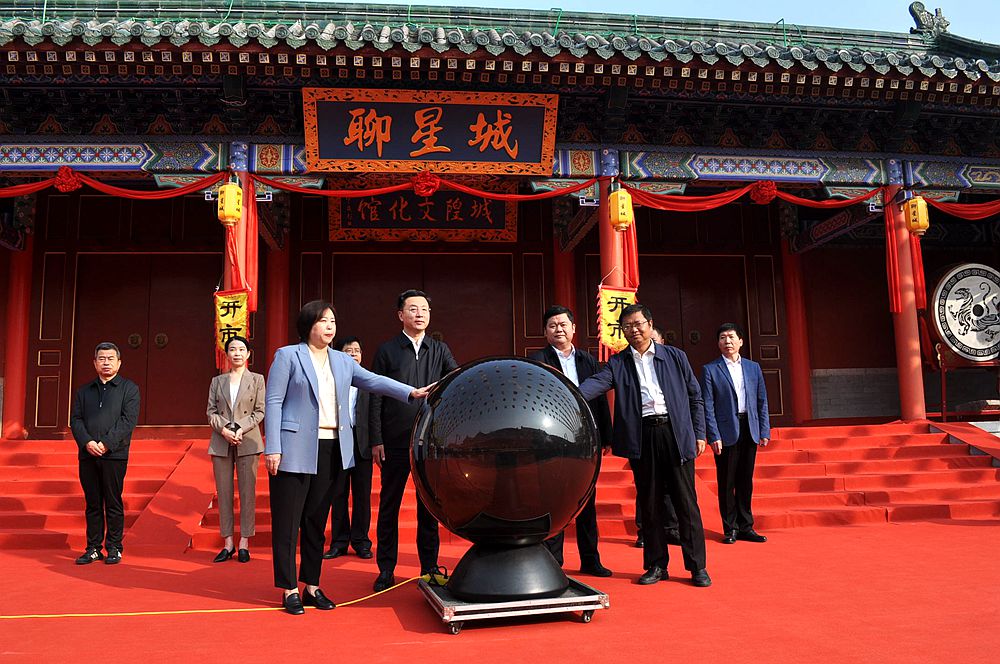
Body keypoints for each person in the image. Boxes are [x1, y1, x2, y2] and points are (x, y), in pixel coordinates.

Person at [265, 301, 430, 615]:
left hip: (331, 447)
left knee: (316, 520)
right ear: (307, 325)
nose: (330, 326)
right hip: (294, 446)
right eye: (323, 320)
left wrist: (411, 391)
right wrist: (273, 446)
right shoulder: (288, 356)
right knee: (288, 522)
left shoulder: (342, 361)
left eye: (332, 320)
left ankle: (311, 585)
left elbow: (373, 380)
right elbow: (273, 402)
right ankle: (288, 589)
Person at [578, 304, 712, 587]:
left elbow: (695, 397)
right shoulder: (618, 363)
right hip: (644, 437)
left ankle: (696, 566)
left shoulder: (675, 357)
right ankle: (656, 564)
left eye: (638, 324)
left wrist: (700, 433)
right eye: (627, 327)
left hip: (675, 434)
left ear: (650, 324)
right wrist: (569, 392)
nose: (634, 330)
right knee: (649, 505)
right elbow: (595, 384)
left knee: (686, 504)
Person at [369, 289, 458, 592]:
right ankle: (385, 569)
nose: (419, 314)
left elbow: (455, 383)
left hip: (428, 442)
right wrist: (376, 438)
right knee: (389, 506)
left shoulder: (440, 350)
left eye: (424, 309)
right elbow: (375, 397)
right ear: (400, 315)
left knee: (428, 508)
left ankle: (430, 569)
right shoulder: (387, 350)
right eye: (413, 309)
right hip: (394, 440)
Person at [529, 305, 613, 578]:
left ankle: (591, 559)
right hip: (552, 439)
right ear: (545, 331)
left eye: (564, 324)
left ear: (574, 328)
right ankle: (554, 562)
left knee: (587, 499)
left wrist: (605, 436)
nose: (559, 329)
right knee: (554, 499)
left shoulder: (587, 361)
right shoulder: (538, 359)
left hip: (584, 437)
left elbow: (599, 398)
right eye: (552, 325)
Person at [70, 342, 140, 565]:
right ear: (95, 363)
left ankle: (114, 547)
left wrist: (107, 443)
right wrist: (88, 442)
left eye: (110, 358)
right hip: (88, 454)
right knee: (92, 502)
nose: (106, 362)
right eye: (102, 358)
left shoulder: (129, 389)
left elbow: (128, 421)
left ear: (119, 362)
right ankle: (92, 547)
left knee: (112, 501)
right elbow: (76, 420)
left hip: (114, 454)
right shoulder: (84, 391)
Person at [702, 323, 771, 544]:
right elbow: (708, 404)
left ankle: (746, 526)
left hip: (748, 427)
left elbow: (761, 401)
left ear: (741, 341)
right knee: (727, 481)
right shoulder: (710, 369)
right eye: (722, 338)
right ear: (718, 343)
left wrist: (764, 429)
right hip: (725, 431)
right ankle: (729, 527)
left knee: (745, 480)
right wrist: (713, 435)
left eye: (731, 337)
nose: (727, 341)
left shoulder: (753, 368)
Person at [206, 335, 265, 563]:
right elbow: (210, 412)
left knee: (247, 493)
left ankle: (244, 542)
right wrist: (224, 430)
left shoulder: (257, 379)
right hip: (221, 441)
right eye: (232, 349)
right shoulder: (217, 381)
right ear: (226, 354)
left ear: (248, 354)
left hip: (247, 440)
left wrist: (240, 428)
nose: (237, 353)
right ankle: (228, 541)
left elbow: (260, 411)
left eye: (242, 349)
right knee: (224, 492)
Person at [323, 337, 374, 560]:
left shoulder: (369, 381)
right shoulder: (332, 380)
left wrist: (377, 442)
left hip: (363, 442)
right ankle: (339, 542)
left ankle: (361, 541)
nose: (353, 354)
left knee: (362, 495)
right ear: (339, 354)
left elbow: (375, 415)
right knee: (339, 493)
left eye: (357, 350)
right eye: (348, 351)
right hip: (338, 441)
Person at [633, 324, 681, 549]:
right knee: (647, 486)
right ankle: (645, 531)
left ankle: (672, 528)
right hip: (644, 431)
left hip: (671, 431)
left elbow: (692, 395)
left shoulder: (673, 362)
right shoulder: (629, 363)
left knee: (672, 485)